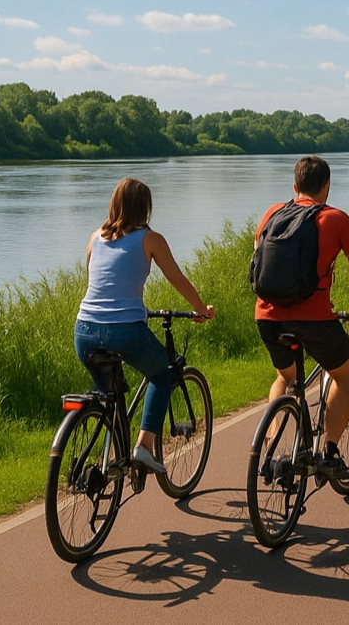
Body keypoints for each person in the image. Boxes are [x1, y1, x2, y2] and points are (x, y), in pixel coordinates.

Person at [254, 156, 349, 475]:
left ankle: (273, 449)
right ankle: (330, 450)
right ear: (327, 186)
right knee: (343, 375)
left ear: (295, 186)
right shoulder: (337, 219)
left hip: (267, 316)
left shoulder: (270, 215)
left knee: (285, 378)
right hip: (313, 318)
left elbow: (261, 266)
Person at [74, 177, 215, 475]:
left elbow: (100, 281)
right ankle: (143, 447)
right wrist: (201, 310)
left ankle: (114, 459)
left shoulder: (94, 236)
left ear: (114, 204)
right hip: (124, 331)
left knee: (111, 398)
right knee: (162, 374)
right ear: (145, 208)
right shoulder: (151, 240)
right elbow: (177, 279)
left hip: (84, 330)